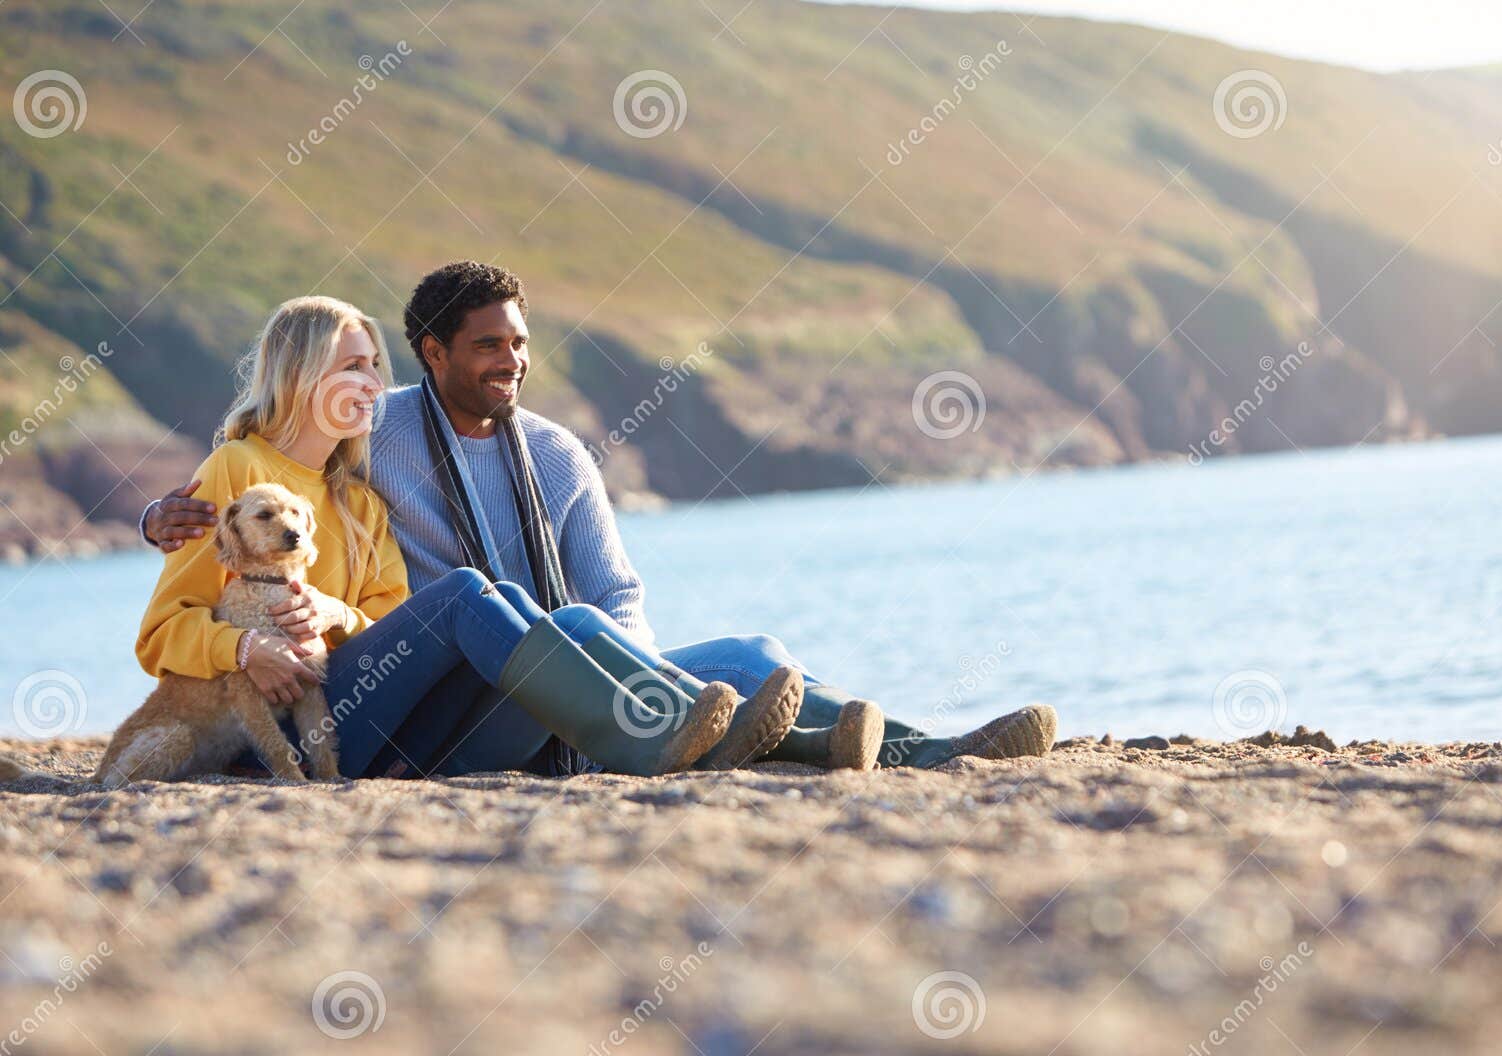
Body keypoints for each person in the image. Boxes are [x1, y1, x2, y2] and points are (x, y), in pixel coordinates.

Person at [143, 262, 1057, 773]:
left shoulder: (513, 460)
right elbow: (241, 480)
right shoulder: (360, 442)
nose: (512, 362)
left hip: (562, 666)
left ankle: (928, 748)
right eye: (488, 346)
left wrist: (629, 671)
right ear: (437, 354)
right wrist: (162, 520)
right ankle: (658, 727)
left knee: (755, 654)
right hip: (445, 696)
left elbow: (616, 597)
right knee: (528, 610)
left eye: (521, 344)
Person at [135, 294, 817, 780]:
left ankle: (861, 741)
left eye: (376, 365)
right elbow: (162, 632)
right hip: (280, 724)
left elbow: (385, 618)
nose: (375, 383)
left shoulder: (356, 494)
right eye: (353, 366)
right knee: (468, 592)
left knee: (650, 637)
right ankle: (646, 734)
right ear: (303, 375)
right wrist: (246, 645)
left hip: (367, 695)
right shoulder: (236, 470)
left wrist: (337, 614)